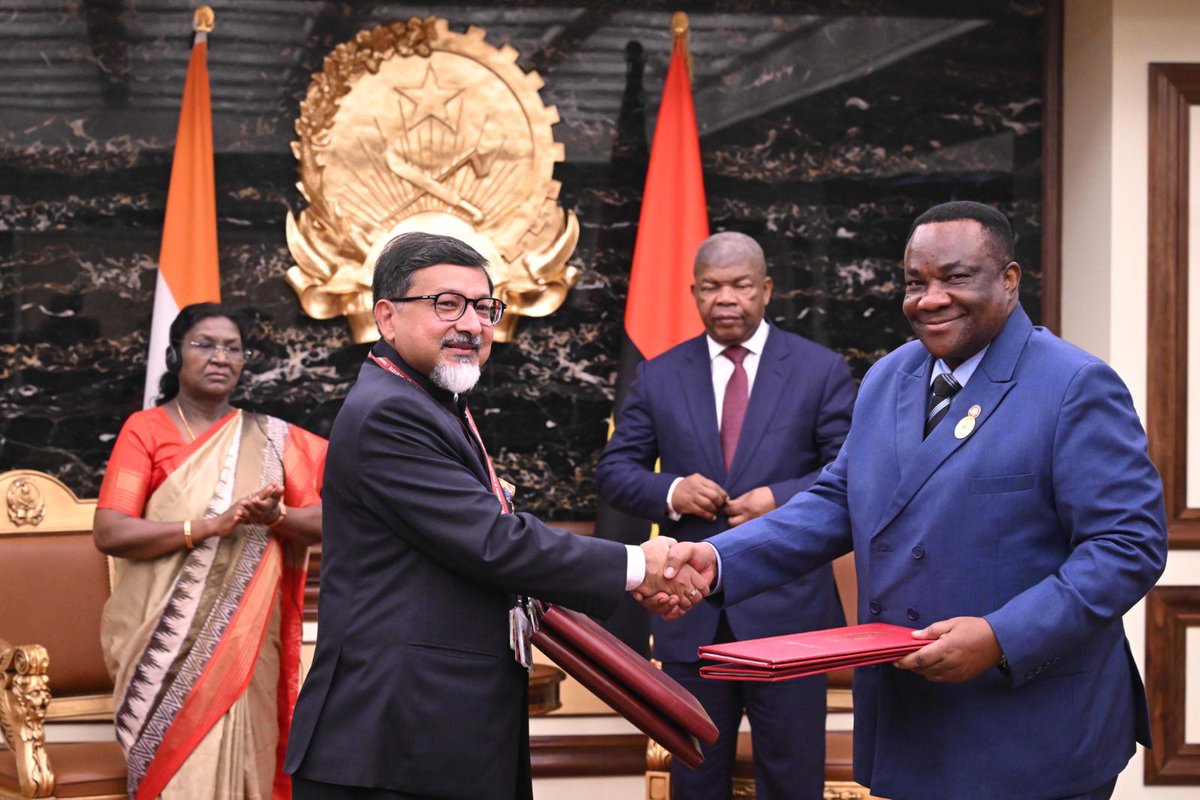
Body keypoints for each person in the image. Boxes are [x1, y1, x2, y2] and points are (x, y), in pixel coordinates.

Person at [654, 201, 1168, 800]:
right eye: (915, 283)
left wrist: (1002, 636)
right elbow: (836, 502)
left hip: (1032, 730)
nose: (930, 299)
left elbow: (1126, 547)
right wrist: (718, 560)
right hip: (911, 724)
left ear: (1009, 280)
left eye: (955, 277)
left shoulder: (1074, 385)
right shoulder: (887, 378)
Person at [283, 232, 703, 800]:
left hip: (436, 734)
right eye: (446, 304)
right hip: (394, 742)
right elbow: (492, 541)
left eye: (484, 307)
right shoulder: (391, 413)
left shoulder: (429, 401)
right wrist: (638, 564)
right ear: (386, 316)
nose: (472, 324)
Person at [596, 231, 855, 799]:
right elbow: (615, 471)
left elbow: (854, 472)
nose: (726, 299)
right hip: (690, 619)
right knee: (696, 784)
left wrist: (780, 499)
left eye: (740, 285)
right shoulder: (660, 374)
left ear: (765, 289)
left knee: (792, 783)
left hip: (791, 623)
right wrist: (672, 491)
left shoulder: (820, 369)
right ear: (693, 293)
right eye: (711, 287)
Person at [93, 302, 327, 800]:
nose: (220, 356)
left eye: (232, 347)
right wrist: (206, 528)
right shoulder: (146, 429)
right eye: (205, 344)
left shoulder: (273, 438)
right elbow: (110, 531)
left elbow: (334, 520)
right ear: (176, 353)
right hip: (161, 644)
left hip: (245, 643)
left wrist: (276, 518)